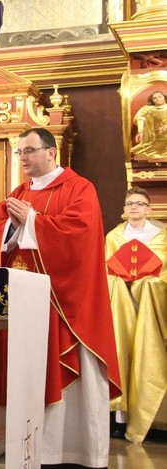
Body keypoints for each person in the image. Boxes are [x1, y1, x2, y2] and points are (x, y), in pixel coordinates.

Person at [0, 127, 121, 468]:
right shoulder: (18, 191)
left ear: (51, 152)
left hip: (63, 305)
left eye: (29, 151)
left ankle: (69, 451)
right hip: (22, 305)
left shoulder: (79, 189)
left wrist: (32, 220)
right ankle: (19, 447)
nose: (24, 158)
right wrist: (13, 226)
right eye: (19, 153)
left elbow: (81, 235)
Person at [105, 186, 167, 443]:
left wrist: (147, 282)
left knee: (144, 351)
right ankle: (120, 419)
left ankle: (151, 420)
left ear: (149, 209)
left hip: (149, 306)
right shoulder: (114, 237)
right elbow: (105, 270)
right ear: (124, 210)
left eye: (139, 203)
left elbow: (164, 273)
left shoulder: (162, 237)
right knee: (122, 354)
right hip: (121, 305)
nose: (134, 207)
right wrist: (119, 282)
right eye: (130, 203)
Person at [130, 90, 167, 159]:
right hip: (152, 135)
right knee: (145, 148)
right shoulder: (147, 109)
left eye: (160, 97)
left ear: (164, 97)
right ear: (152, 100)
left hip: (165, 134)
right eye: (154, 98)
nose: (157, 99)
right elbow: (140, 117)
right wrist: (140, 131)